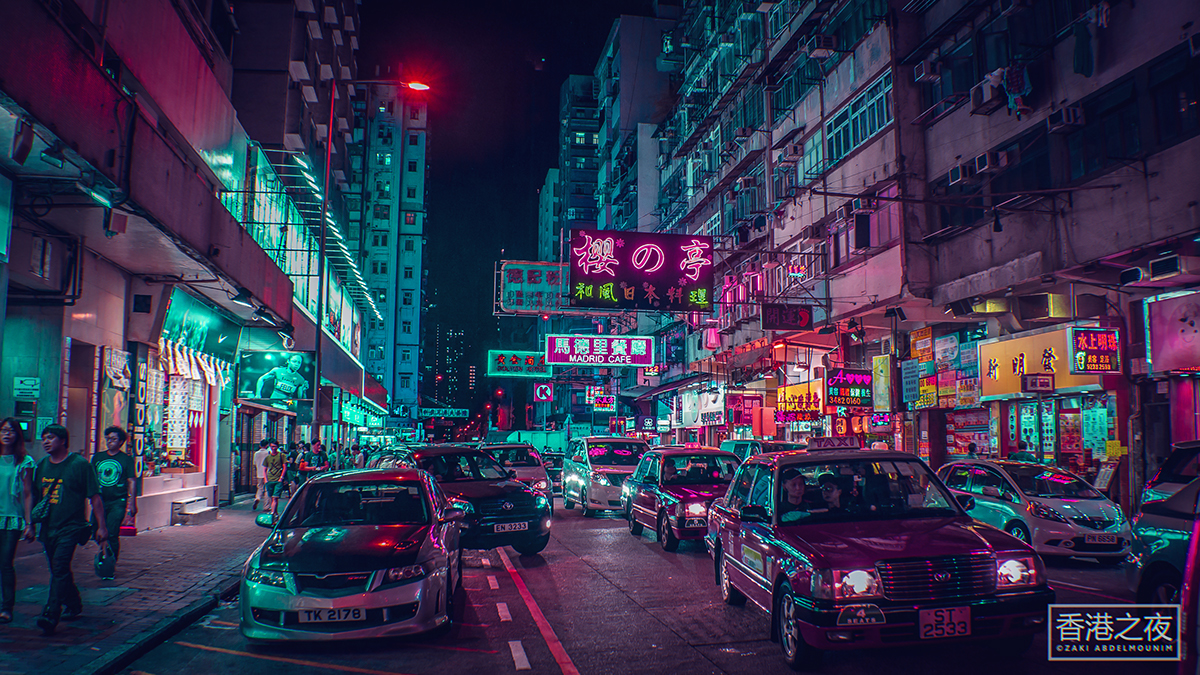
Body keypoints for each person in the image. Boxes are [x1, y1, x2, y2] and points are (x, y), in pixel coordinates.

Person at [33, 424, 108, 635]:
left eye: (51, 438)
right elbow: (35, 497)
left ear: (63, 441)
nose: (46, 442)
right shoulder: (41, 466)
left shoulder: (80, 465)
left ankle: (51, 612)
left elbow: (95, 497)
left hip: (71, 526)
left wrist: (101, 526)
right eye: (44, 438)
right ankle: (74, 603)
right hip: (49, 528)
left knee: (59, 566)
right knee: (59, 570)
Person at [0, 418, 35, 624]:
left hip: (11, 519)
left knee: (5, 563)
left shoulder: (24, 461)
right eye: (4, 430)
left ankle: (6, 608)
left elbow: (28, 493)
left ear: (17, 436)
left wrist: (29, 523)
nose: (7, 434)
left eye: (11, 431)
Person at [92, 426, 137, 572]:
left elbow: (132, 481)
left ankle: (109, 562)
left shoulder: (126, 460)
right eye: (108, 438)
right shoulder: (98, 457)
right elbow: (91, 478)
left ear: (121, 442)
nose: (110, 441)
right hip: (99, 501)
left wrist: (132, 503)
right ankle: (103, 552)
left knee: (111, 532)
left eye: (114, 439)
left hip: (118, 501)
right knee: (96, 530)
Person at [262, 440, 286, 517]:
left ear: (277, 447)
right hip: (270, 480)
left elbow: (285, 467)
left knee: (275, 497)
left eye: (275, 446)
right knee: (272, 498)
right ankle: (275, 513)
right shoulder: (267, 458)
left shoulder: (281, 456)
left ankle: (272, 514)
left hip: (278, 480)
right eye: (272, 446)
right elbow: (264, 469)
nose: (273, 448)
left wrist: (281, 478)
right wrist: (265, 479)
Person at [252, 439, 270, 510]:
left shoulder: (256, 453)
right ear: (267, 445)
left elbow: (254, 464)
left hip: (259, 473)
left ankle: (257, 498)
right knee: (267, 489)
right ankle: (266, 506)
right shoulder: (268, 453)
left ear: (260, 445)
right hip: (267, 473)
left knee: (259, 487)